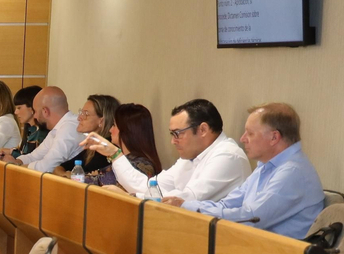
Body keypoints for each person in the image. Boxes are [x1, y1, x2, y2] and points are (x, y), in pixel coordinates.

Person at [163, 103, 323, 240]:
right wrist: (186, 205)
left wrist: (186, 206)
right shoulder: (266, 166)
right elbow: (228, 203)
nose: (242, 138)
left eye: (250, 133)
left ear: (274, 138)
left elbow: (250, 218)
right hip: (256, 249)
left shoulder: (292, 172)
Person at [153, 98, 250, 203]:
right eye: (172, 134)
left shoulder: (228, 156)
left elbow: (187, 200)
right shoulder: (192, 154)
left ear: (203, 130)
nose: (173, 141)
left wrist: (152, 196)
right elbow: (154, 185)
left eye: (177, 133)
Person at [77, 102, 159, 195]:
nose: (110, 130)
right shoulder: (125, 159)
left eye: (114, 125)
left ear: (127, 130)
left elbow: (99, 181)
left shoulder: (141, 165)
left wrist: (75, 176)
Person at [15, 86, 82, 173]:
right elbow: (34, 156)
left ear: (45, 111)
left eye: (35, 112)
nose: (34, 116)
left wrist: (18, 167)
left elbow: (47, 166)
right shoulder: (57, 128)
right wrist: (17, 162)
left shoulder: (69, 128)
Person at [61, 94, 119, 177]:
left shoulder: (105, 150)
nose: (79, 118)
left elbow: (88, 179)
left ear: (101, 121)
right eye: (81, 112)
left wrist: (69, 176)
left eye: (86, 114)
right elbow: (60, 167)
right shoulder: (91, 148)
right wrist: (65, 174)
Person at [12, 85, 45, 158]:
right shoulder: (30, 131)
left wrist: (12, 153)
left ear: (32, 107)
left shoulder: (42, 135)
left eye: (19, 108)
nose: (15, 112)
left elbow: (33, 159)